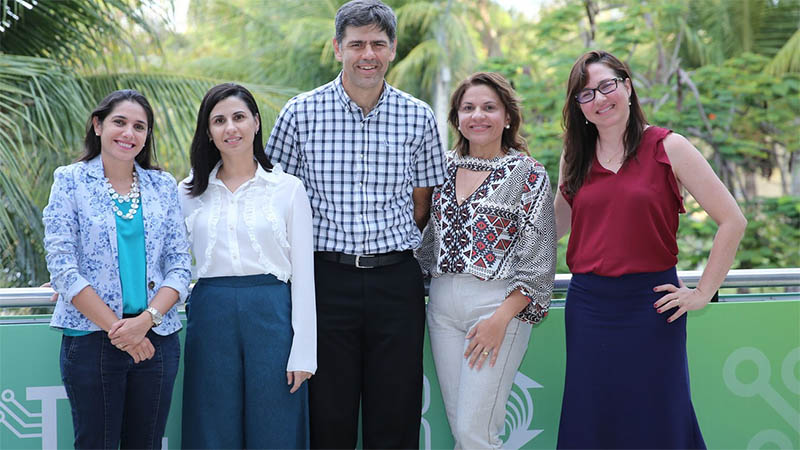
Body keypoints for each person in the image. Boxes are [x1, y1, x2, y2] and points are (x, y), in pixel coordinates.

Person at [265, 0, 446, 447]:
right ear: (338, 48)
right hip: (325, 280)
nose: (369, 53)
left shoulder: (418, 116)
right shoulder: (299, 114)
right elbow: (276, 201)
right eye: (357, 43)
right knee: (328, 411)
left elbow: (422, 203)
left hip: (396, 281)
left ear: (393, 50)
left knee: (397, 408)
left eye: (378, 44)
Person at [554, 50, 747, 449]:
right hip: (589, 306)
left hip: (654, 307)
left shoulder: (670, 147)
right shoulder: (575, 156)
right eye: (586, 93)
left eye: (607, 85)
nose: (600, 98)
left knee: (658, 414)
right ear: (579, 107)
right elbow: (554, 228)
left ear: (627, 86)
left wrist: (701, 293)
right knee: (592, 415)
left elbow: (733, 220)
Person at [42, 90, 191, 449]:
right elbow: (63, 266)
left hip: (157, 339)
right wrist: (119, 330)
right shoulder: (70, 180)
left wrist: (145, 322)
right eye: (119, 122)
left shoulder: (162, 186)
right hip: (92, 340)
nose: (129, 133)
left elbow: (180, 266)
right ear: (98, 125)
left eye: (139, 126)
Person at [416, 72, 557, 449]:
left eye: (489, 107)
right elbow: (422, 239)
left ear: (507, 117)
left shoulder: (528, 174)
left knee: (476, 433)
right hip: (442, 307)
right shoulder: (438, 168)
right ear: (457, 118)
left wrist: (499, 320)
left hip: (497, 307)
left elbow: (540, 262)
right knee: (461, 430)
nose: (478, 115)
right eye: (468, 108)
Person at [179, 83, 316, 449]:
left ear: (256, 123)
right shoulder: (189, 192)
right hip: (210, 311)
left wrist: (304, 352)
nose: (231, 128)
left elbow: (304, 275)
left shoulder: (287, 188)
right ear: (208, 132)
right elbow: (168, 259)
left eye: (239, 117)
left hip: (271, 312)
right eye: (219, 120)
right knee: (211, 424)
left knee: (276, 426)